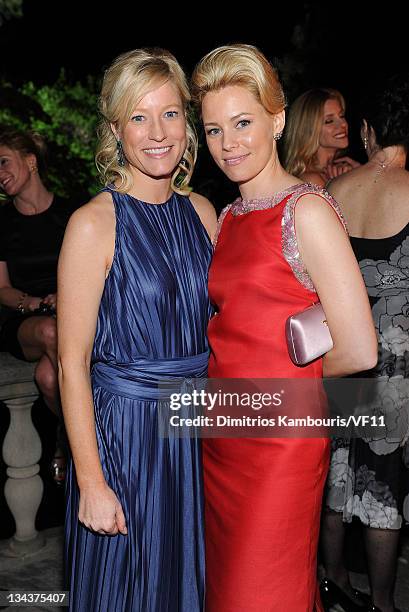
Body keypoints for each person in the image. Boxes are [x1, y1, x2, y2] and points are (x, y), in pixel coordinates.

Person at [191, 44, 377, 611]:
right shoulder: (229, 217)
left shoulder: (308, 211)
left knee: (262, 592)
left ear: (276, 118)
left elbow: (361, 349)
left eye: (243, 123)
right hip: (222, 437)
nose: (229, 144)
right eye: (215, 129)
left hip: (279, 445)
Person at [58, 48, 217, 612]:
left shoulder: (202, 212)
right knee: (130, 589)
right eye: (139, 116)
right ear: (115, 127)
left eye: (171, 113)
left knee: (191, 582)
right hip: (126, 440)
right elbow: (70, 363)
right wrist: (92, 483)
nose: (157, 132)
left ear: (187, 124)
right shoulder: (92, 224)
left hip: (197, 435)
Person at [320, 75, 409, 612]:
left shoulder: (333, 195)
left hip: (341, 353)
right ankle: (381, 602)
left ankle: (333, 583)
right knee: (383, 493)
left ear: (368, 131)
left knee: (333, 476)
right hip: (397, 364)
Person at [0, 127, 78, 484]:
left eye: (3, 162)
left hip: (69, 311)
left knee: (48, 377)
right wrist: (28, 302)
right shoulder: (2, 222)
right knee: (50, 330)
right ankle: (81, 443)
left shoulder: (71, 213)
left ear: (30, 162)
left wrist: (67, 295)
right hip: (24, 320)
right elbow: (1, 289)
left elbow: (93, 272)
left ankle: (63, 439)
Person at [283, 87, 360, 187]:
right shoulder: (311, 180)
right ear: (309, 130)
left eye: (341, 116)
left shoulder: (340, 170)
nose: (343, 124)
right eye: (329, 121)